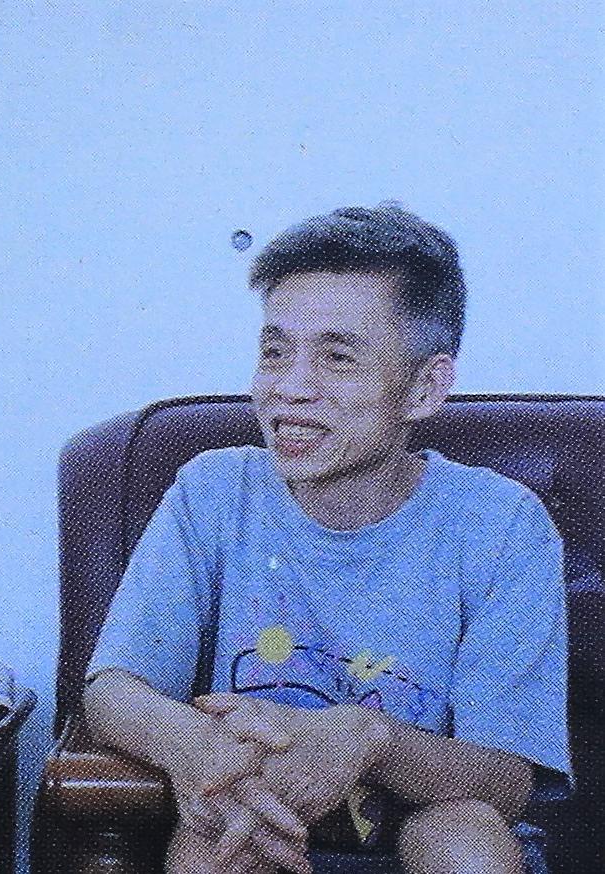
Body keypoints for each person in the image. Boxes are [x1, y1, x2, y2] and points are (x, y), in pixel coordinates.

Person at [82, 203, 574, 874]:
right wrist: (196, 747)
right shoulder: (213, 492)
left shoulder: (502, 524)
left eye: (337, 358)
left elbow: (508, 782)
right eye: (274, 352)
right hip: (257, 812)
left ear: (424, 388)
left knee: (464, 838)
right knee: (215, 842)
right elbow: (113, 689)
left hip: (429, 829)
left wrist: (370, 738)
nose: (291, 389)